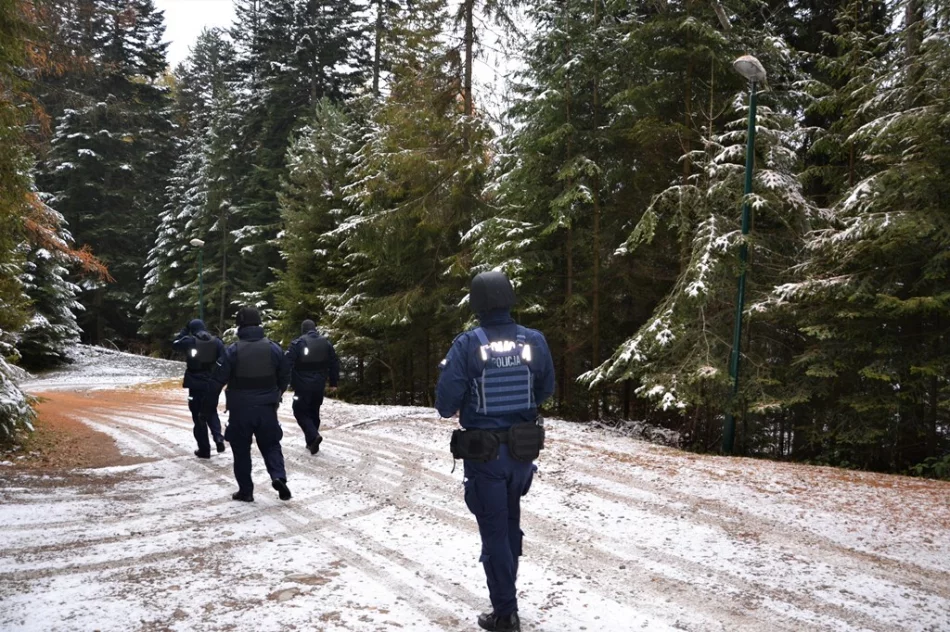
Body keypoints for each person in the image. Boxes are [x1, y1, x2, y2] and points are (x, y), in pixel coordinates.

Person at [435, 271, 555, 632]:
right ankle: (506, 599)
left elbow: (445, 404)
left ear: (476, 304)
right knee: (509, 524)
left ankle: (505, 613)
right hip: (522, 453)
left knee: (495, 533)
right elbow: (545, 389)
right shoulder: (532, 340)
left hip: (485, 457)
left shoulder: (469, 344)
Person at [202, 307, 292, 502]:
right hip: (267, 408)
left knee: (241, 450)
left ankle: (246, 491)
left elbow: (216, 381)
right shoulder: (274, 348)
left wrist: (207, 408)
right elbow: (285, 374)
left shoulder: (233, 351)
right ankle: (278, 476)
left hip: (240, 410)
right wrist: (277, 394)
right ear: (259, 324)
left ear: (239, 327)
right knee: (271, 445)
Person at [172, 319, 226, 459]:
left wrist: (185, 330)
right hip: (211, 382)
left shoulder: (189, 341)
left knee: (198, 417)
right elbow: (225, 359)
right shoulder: (217, 342)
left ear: (192, 329)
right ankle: (218, 437)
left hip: (195, 382)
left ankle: (204, 449)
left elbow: (175, 344)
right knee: (211, 411)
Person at [285, 319, 339, 454]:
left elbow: (287, 363)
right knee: (314, 411)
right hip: (319, 384)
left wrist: (284, 382)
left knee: (299, 411)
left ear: (303, 329)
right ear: (315, 329)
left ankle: (313, 436)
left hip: (302, 386)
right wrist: (333, 383)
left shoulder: (298, 344)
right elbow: (334, 363)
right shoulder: (326, 343)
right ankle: (312, 442)